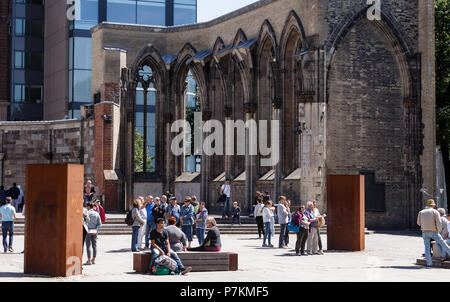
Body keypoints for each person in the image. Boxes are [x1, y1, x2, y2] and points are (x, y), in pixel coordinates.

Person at [417, 199, 450, 265]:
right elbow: (439, 222)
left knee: (427, 248)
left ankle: (429, 264)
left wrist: (424, 226)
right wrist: (438, 230)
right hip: (434, 232)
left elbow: (418, 223)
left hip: (425, 232)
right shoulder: (435, 212)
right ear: (433, 205)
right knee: (444, 244)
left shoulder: (421, 212)